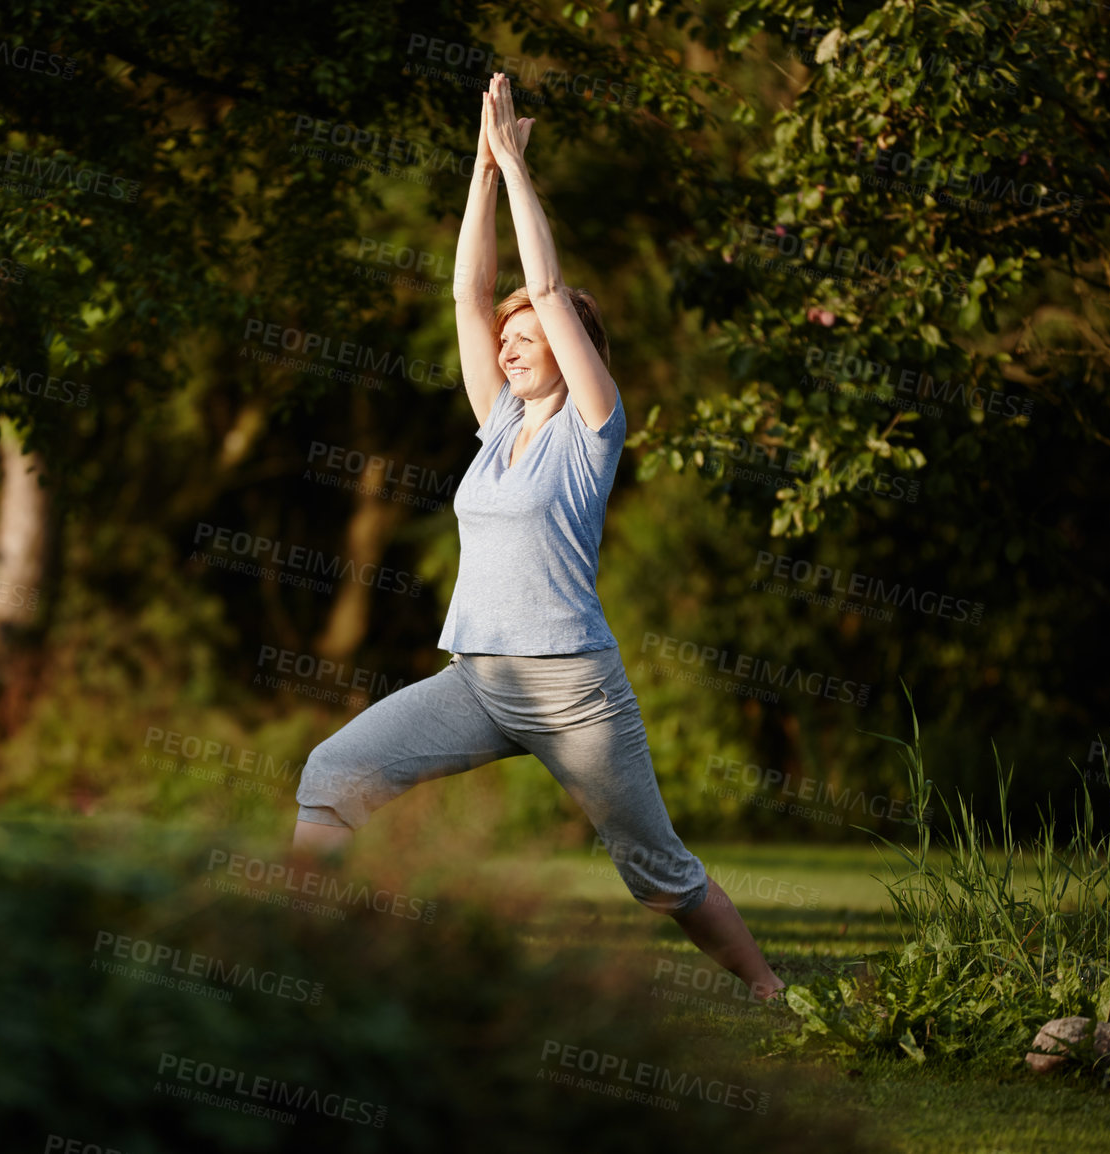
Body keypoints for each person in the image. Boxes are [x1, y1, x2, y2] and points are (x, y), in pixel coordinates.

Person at [292, 73, 784, 1000]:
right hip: (477, 678)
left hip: (573, 692)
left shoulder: (593, 426)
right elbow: (464, 292)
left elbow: (545, 283)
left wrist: (520, 169)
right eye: (507, 338)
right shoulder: (498, 425)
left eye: (528, 337)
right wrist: (480, 168)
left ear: (572, 347)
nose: (509, 345)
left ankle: (772, 992)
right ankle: (300, 957)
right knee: (331, 774)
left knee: (657, 874)